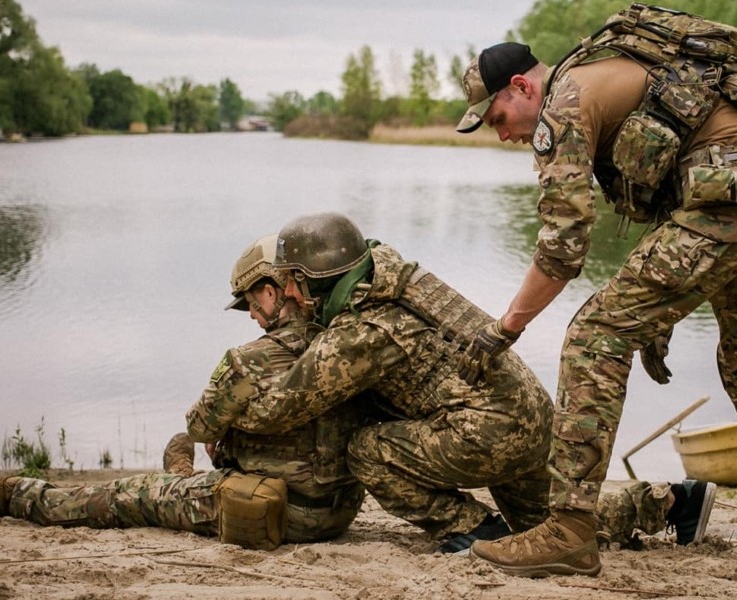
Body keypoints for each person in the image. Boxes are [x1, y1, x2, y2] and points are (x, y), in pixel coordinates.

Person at [234, 211, 712, 554]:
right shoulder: (395, 278)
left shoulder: (364, 329)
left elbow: (285, 406)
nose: (290, 291)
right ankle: (670, 502)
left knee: (365, 450)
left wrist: (225, 416)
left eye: (293, 280)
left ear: (314, 277)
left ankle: (473, 531)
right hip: (525, 413)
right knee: (545, 527)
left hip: (489, 431)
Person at [454, 7, 733, 576]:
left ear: (521, 85)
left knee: (594, 335)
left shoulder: (564, 103)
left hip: (723, 200)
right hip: (723, 194)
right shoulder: (603, 73)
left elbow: (562, 249)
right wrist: (658, 317)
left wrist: (506, 325)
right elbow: (677, 186)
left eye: (498, 117)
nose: (503, 133)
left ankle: (571, 531)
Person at [0, 234, 366, 549]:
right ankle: (179, 477)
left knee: (125, 495)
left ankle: (2, 496)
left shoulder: (249, 360)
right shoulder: (343, 346)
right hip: (337, 513)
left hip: (275, 511)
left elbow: (199, 427)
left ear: (272, 293)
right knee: (193, 478)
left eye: (253, 306)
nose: (253, 317)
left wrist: (227, 418)